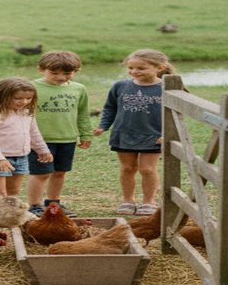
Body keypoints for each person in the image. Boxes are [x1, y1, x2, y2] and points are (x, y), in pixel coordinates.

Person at [94, 49, 175, 216]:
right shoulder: (120, 86)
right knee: (127, 168)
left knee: (148, 169)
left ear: (159, 68)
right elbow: (110, 108)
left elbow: (176, 113)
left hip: (154, 136)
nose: (134, 71)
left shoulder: (167, 88)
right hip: (124, 134)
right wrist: (103, 126)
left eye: (141, 68)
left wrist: (167, 133)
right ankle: (128, 200)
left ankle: (149, 202)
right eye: (131, 68)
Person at [26, 51, 93, 217]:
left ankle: (53, 203)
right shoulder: (31, 88)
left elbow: (82, 114)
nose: (61, 77)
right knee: (41, 173)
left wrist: (85, 134)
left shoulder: (79, 89)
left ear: (76, 71)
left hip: (67, 138)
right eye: (54, 73)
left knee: (59, 172)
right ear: (41, 69)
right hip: (39, 140)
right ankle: (34, 206)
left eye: (67, 73)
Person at [0, 77, 52, 199]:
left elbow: (34, 133)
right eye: (18, 98)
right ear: (2, 96)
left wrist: (43, 150)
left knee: (13, 193)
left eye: (29, 98)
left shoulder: (26, 112)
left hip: (20, 157)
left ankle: (8, 213)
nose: (24, 102)